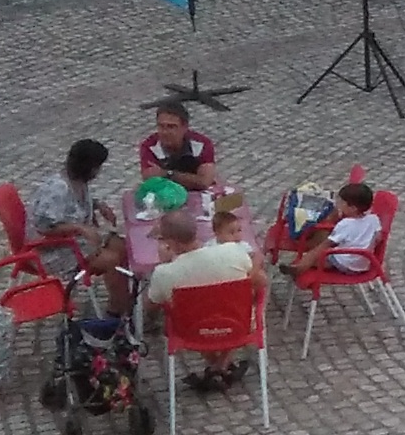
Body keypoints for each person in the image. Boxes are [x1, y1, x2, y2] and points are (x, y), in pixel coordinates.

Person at [145, 213, 260, 392]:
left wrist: (165, 263)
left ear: (171, 243)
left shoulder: (164, 273)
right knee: (226, 308)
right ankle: (221, 366)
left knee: (195, 316)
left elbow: (151, 307)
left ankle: (216, 368)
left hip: (192, 331)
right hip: (238, 325)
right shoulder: (234, 252)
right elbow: (256, 279)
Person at [25, 139, 131, 314]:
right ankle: (118, 312)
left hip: (72, 240)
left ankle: (123, 298)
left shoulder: (78, 181)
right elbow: (43, 228)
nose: (98, 171)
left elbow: (73, 206)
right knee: (111, 260)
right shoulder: (57, 189)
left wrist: (97, 204)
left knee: (119, 244)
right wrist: (79, 228)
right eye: (97, 167)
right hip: (49, 250)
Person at [284, 180, 381, 277]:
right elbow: (378, 238)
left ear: (353, 208)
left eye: (342, 203)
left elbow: (328, 243)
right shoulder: (374, 219)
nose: (339, 205)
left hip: (345, 262)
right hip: (364, 263)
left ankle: (300, 267)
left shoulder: (345, 224)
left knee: (318, 251)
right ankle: (300, 265)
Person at [137, 103, 219, 190]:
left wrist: (167, 174)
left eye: (171, 127)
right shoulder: (149, 146)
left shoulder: (202, 144)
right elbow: (150, 180)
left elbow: (204, 182)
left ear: (185, 127)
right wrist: (191, 179)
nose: (165, 132)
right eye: (161, 126)